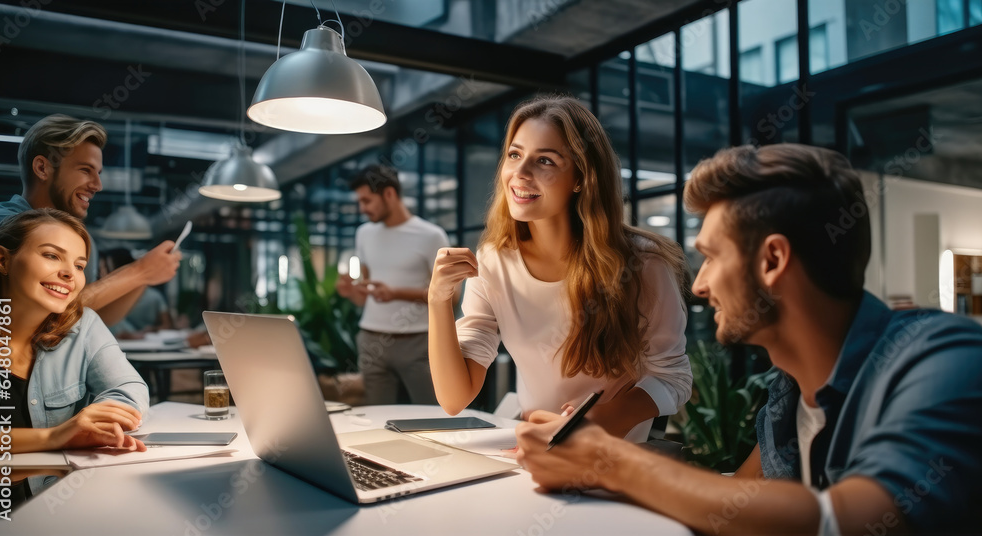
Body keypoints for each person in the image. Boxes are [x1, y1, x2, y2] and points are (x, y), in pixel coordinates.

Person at [514, 144, 982, 534]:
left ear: (773, 260)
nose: (700, 285)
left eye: (713, 257)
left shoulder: (945, 361)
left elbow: (850, 523)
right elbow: (735, 510)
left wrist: (606, 458)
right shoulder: (789, 391)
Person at [428, 95, 692, 441]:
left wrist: (601, 419)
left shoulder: (643, 264)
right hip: (533, 449)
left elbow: (673, 377)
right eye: (514, 155)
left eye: (546, 161)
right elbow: (453, 398)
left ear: (581, 177)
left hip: (615, 455)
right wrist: (437, 299)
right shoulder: (493, 261)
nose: (520, 174)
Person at [0, 114, 181, 327]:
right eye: (85, 170)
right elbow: (36, 314)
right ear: (42, 168)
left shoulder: (82, 242)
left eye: (98, 173)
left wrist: (145, 277)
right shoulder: (2, 225)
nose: (97, 185)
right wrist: (138, 271)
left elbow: (91, 314)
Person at [0, 209, 149, 458]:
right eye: (52, 255)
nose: (70, 274)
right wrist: (56, 435)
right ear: (2, 260)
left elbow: (130, 388)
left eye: (79, 265)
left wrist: (100, 420)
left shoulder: (83, 325)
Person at [335, 165, 450, 405]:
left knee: (433, 415)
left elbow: (450, 296)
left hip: (418, 342)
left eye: (367, 200)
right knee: (378, 419)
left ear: (389, 194)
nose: (362, 208)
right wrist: (351, 292)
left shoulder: (432, 236)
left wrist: (396, 293)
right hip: (371, 339)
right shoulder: (364, 234)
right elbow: (366, 295)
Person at [99, 248, 173, 338]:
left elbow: (167, 325)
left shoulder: (154, 296)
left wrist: (151, 331)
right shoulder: (104, 300)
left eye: (107, 269)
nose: (103, 276)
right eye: (102, 269)